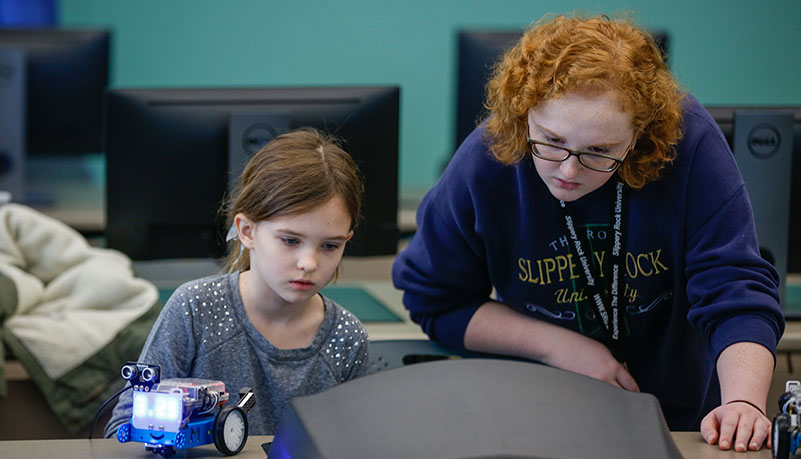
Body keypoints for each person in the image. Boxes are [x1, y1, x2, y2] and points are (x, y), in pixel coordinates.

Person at [392, 13, 784, 453]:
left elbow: (736, 291)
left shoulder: (688, 143)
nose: (568, 170)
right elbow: (435, 300)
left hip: (682, 424)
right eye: (551, 140)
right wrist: (560, 347)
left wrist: (744, 403)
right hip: (534, 417)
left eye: (600, 151)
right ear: (524, 116)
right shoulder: (488, 158)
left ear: (639, 134)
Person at [105, 127, 371, 437]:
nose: (309, 263)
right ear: (247, 231)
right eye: (290, 240)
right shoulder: (195, 309)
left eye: (330, 246)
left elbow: (355, 445)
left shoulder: (347, 337)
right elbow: (123, 431)